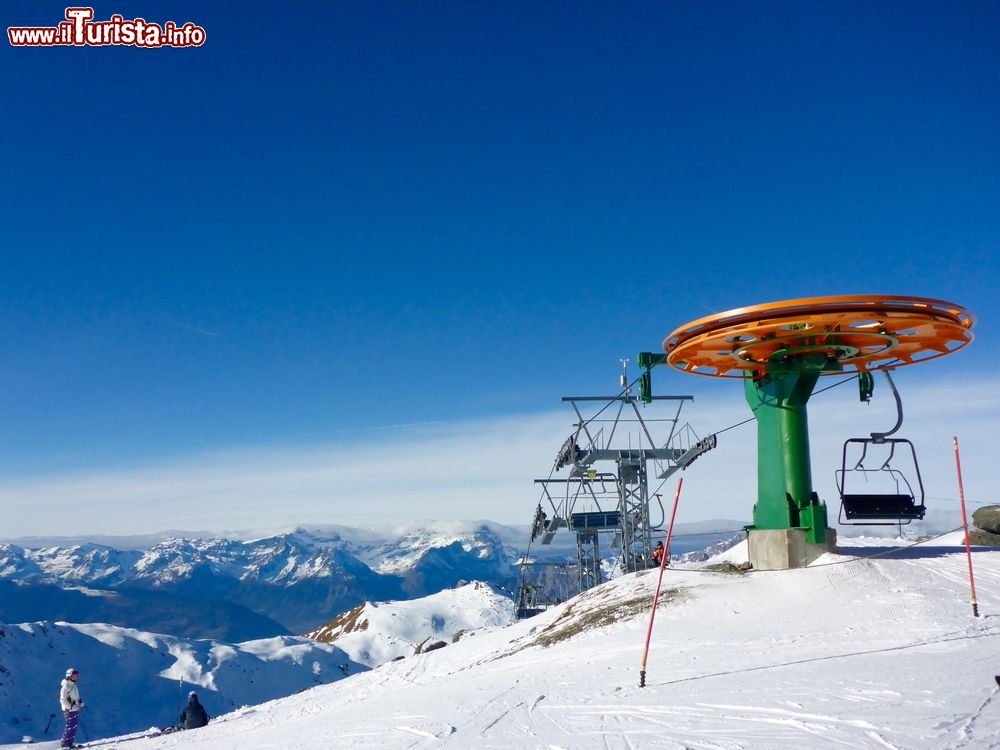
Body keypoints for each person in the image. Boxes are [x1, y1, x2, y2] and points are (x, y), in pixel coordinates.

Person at [59, 667, 84, 749]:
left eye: (76, 675)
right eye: (74, 675)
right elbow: (63, 700)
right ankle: (65, 745)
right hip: (69, 710)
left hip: (74, 709)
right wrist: (70, 706)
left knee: (73, 727)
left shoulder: (73, 685)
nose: (76, 677)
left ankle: (69, 744)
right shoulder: (66, 686)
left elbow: (74, 698)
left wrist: (79, 702)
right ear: (69, 676)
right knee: (70, 727)